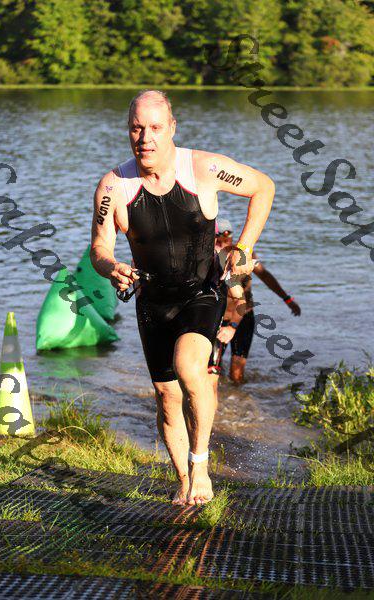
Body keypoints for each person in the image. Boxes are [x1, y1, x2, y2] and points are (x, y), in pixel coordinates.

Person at [90, 89, 275, 506]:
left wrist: (244, 247)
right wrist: (111, 267)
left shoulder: (203, 168)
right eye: (137, 128)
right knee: (167, 397)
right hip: (152, 303)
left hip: (202, 293)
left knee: (190, 367)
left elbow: (263, 187)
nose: (146, 138)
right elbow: (99, 248)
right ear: (128, 130)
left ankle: (201, 466)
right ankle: (183, 482)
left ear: (172, 128)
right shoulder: (113, 186)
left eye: (155, 127)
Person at [208, 218, 301, 395]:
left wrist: (287, 299)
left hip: (243, 318)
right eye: (219, 240)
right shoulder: (209, 257)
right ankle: (218, 404)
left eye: (227, 239)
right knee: (211, 371)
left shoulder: (244, 256)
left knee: (237, 373)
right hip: (219, 320)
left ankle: (237, 400)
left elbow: (265, 276)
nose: (224, 244)